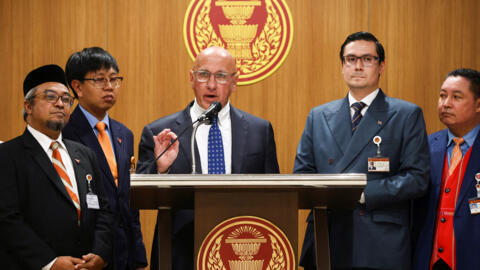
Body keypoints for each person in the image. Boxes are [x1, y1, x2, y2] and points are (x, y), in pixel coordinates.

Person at [294, 32, 430, 270]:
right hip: (328, 235)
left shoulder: (405, 114)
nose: (358, 66)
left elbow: (417, 179)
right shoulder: (318, 116)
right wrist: (330, 194)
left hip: (379, 241)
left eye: (367, 59)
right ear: (342, 66)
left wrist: (362, 193)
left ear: (381, 66)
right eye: (351, 59)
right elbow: (302, 175)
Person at [136, 46, 280, 270]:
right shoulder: (159, 132)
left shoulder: (259, 130)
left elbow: (273, 196)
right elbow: (140, 195)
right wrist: (161, 170)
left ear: (234, 81)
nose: (211, 85)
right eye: (203, 75)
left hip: (243, 250)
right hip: (179, 254)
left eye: (221, 76)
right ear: (192, 78)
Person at [0, 64, 112, 269]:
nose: (61, 104)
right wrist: (49, 263)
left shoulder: (85, 155)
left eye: (66, 99)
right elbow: (7, 219)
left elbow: (103, 209)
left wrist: (100, 252)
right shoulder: (7, 155)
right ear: (28, 106)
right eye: (51, 97)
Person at [62, 47, 148, 270]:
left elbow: (128, 200)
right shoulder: (64, 133)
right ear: (77, 87)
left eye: (114, 79)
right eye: (100, 80)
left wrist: (138, 255)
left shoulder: (123, 134)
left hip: (124, 253)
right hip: (85, 255)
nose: (109, 87)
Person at [414, 68, 480, 270]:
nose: (445, 103)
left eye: (456, 97)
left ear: (478, 104)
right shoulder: (426, 145)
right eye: (442, 96)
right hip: (428, 259)